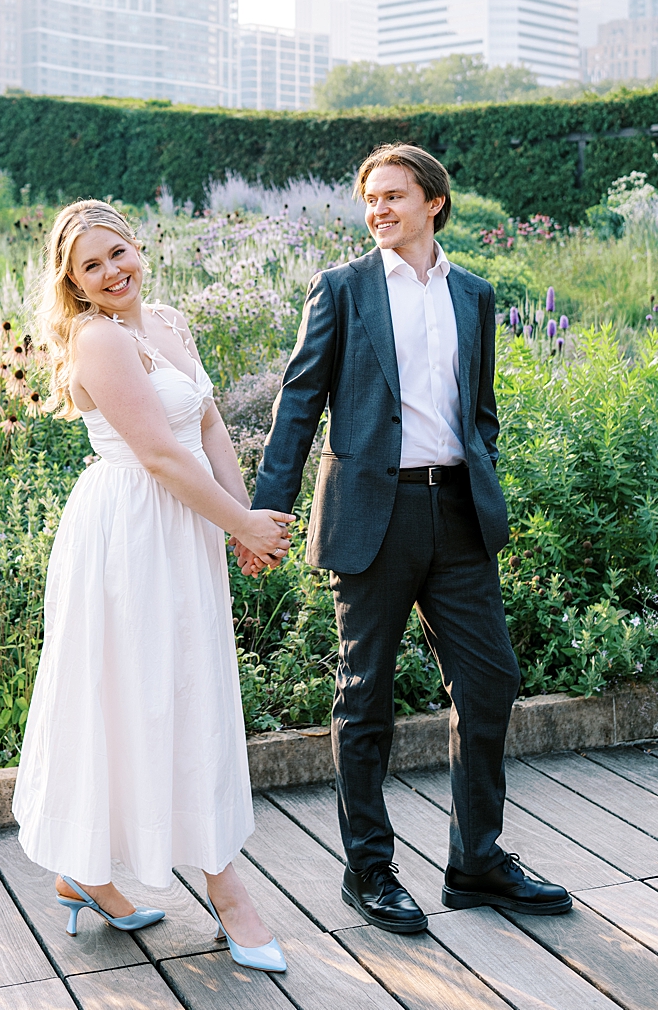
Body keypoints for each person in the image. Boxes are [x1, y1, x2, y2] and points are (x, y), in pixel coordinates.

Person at [243, 144, 570, 934]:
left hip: (456, 514)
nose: (379, 210)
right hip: (370, 518)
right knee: (365, 698)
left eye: (394, 196)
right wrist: (269, 513)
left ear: (434, 203)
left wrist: (478, 470)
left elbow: (479, 407)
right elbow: (297, 406)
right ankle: (369, 869)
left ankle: (478, 862)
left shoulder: (475, 294)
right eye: (370, 199)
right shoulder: (343, 291)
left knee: (490, 683)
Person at [12, 200, 295, 976]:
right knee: (144, 696)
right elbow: (164, 459)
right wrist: (240, 524)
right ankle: (229, 894)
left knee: (184, 690)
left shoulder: (167, 321)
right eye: (90, 267)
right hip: (132, 533)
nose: (111, 273)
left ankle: (89, 878)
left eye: (118, 253)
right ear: (71, 283)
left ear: (141, 248)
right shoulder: (97, 341)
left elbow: (206, 429)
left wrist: (243, 518)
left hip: (184, 528)